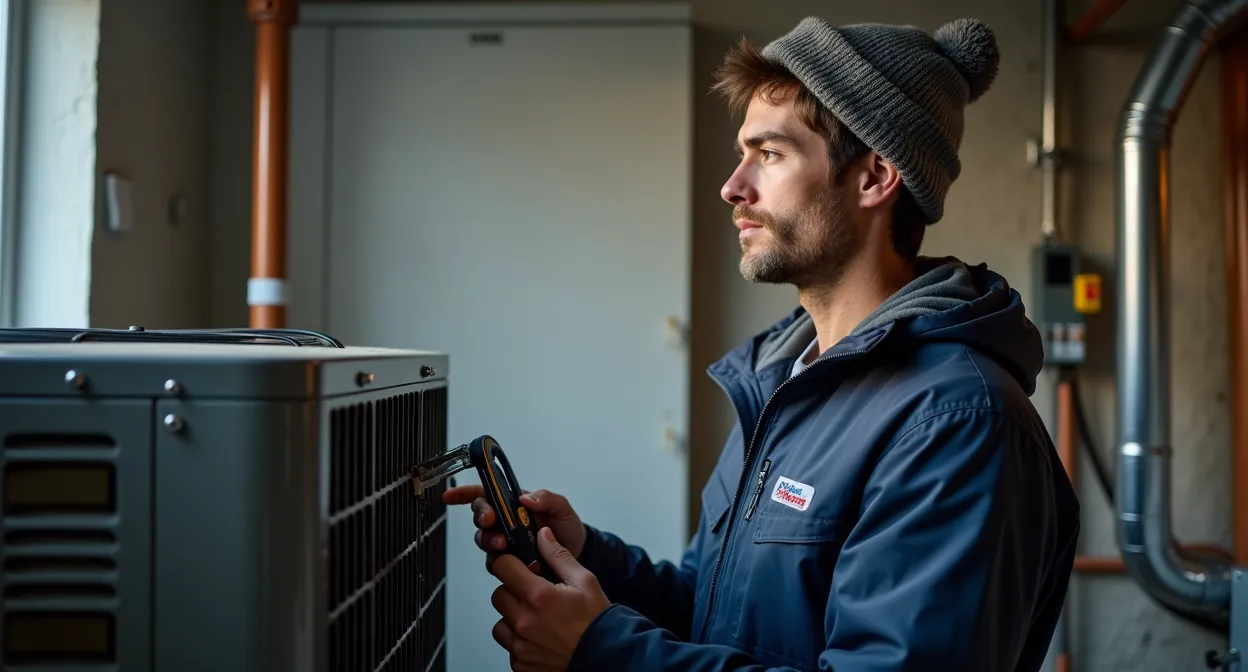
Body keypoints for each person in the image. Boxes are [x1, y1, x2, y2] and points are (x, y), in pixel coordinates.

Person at [443, 14, 1080, 672]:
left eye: (769, 154)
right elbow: (716, 611)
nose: (733, 186)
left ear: (874, 177)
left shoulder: (957, 424)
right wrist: (584, 554)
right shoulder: (782, 383)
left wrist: (601, 652)